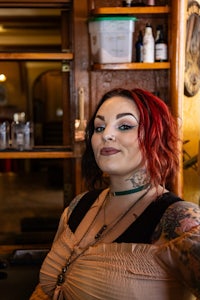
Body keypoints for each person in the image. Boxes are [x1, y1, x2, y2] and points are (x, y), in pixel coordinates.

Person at [30, 88, 200, 300]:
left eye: (125, 126)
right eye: (99, 127)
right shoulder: (79, 205)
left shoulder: (178, 220)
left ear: (156, 136)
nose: (106, 135)